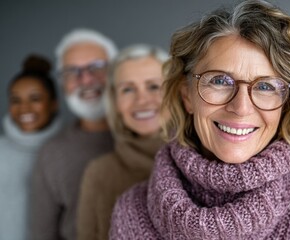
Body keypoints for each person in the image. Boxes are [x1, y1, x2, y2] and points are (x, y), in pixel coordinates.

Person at [109, 1, 290, 239]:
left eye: (266, 86)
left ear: (288, 103)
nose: (241, 107)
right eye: (220, 81)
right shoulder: (131, 211)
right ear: (187, 94)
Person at [30, 28, 117, 240]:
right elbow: (42, 234)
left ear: (117, 71)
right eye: (72, 71)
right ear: (63, 84)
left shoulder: (153, 138)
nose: (86, 79)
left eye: (97, 67)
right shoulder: (52, 153)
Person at [76, 44, 169, 240]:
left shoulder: (207, 159)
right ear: (114, 101)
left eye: (153, 86)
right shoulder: (99, 173)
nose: (142, 100)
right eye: (127, 89)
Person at [0, 54, 61, 240]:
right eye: (16, 100)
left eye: (34, 98)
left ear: (53, 104)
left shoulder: (66, 152)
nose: (24, 108)